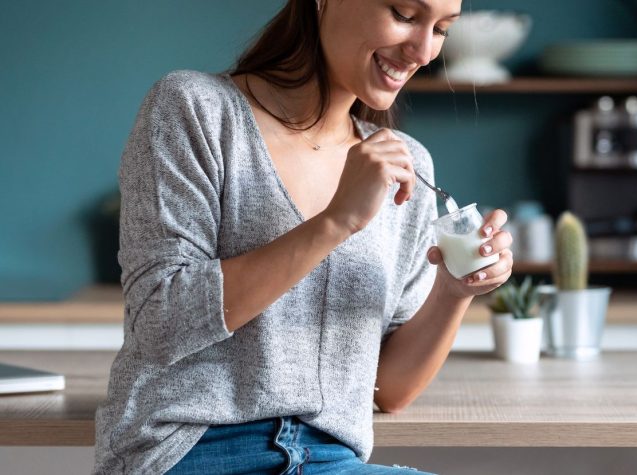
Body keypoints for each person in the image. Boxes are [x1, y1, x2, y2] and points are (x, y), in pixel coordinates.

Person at [93, 0, 513, 473]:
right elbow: (158, 324)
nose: (422, 51)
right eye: (404, 14)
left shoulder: (406, 167)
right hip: (190, 452)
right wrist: (335, 222)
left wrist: (454, 292)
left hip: (331, 459)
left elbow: (390, 391)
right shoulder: (194, 109)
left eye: (442, 30)